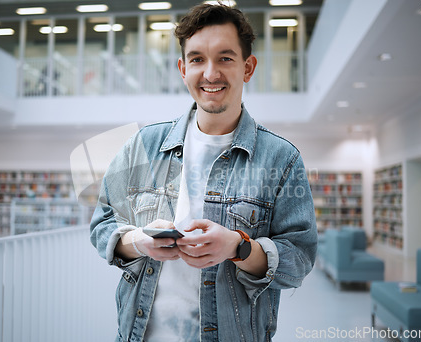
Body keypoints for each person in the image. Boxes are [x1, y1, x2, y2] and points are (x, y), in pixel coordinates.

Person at [90, 3, 317, 341]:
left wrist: (239, 248)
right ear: (183, 68)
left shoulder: (281, 159)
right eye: (197, 59)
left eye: (225, 58)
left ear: (248, 67)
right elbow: (103, 223)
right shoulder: (144, 144)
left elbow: (299, 258)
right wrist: (138, 241)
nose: (210, 74)